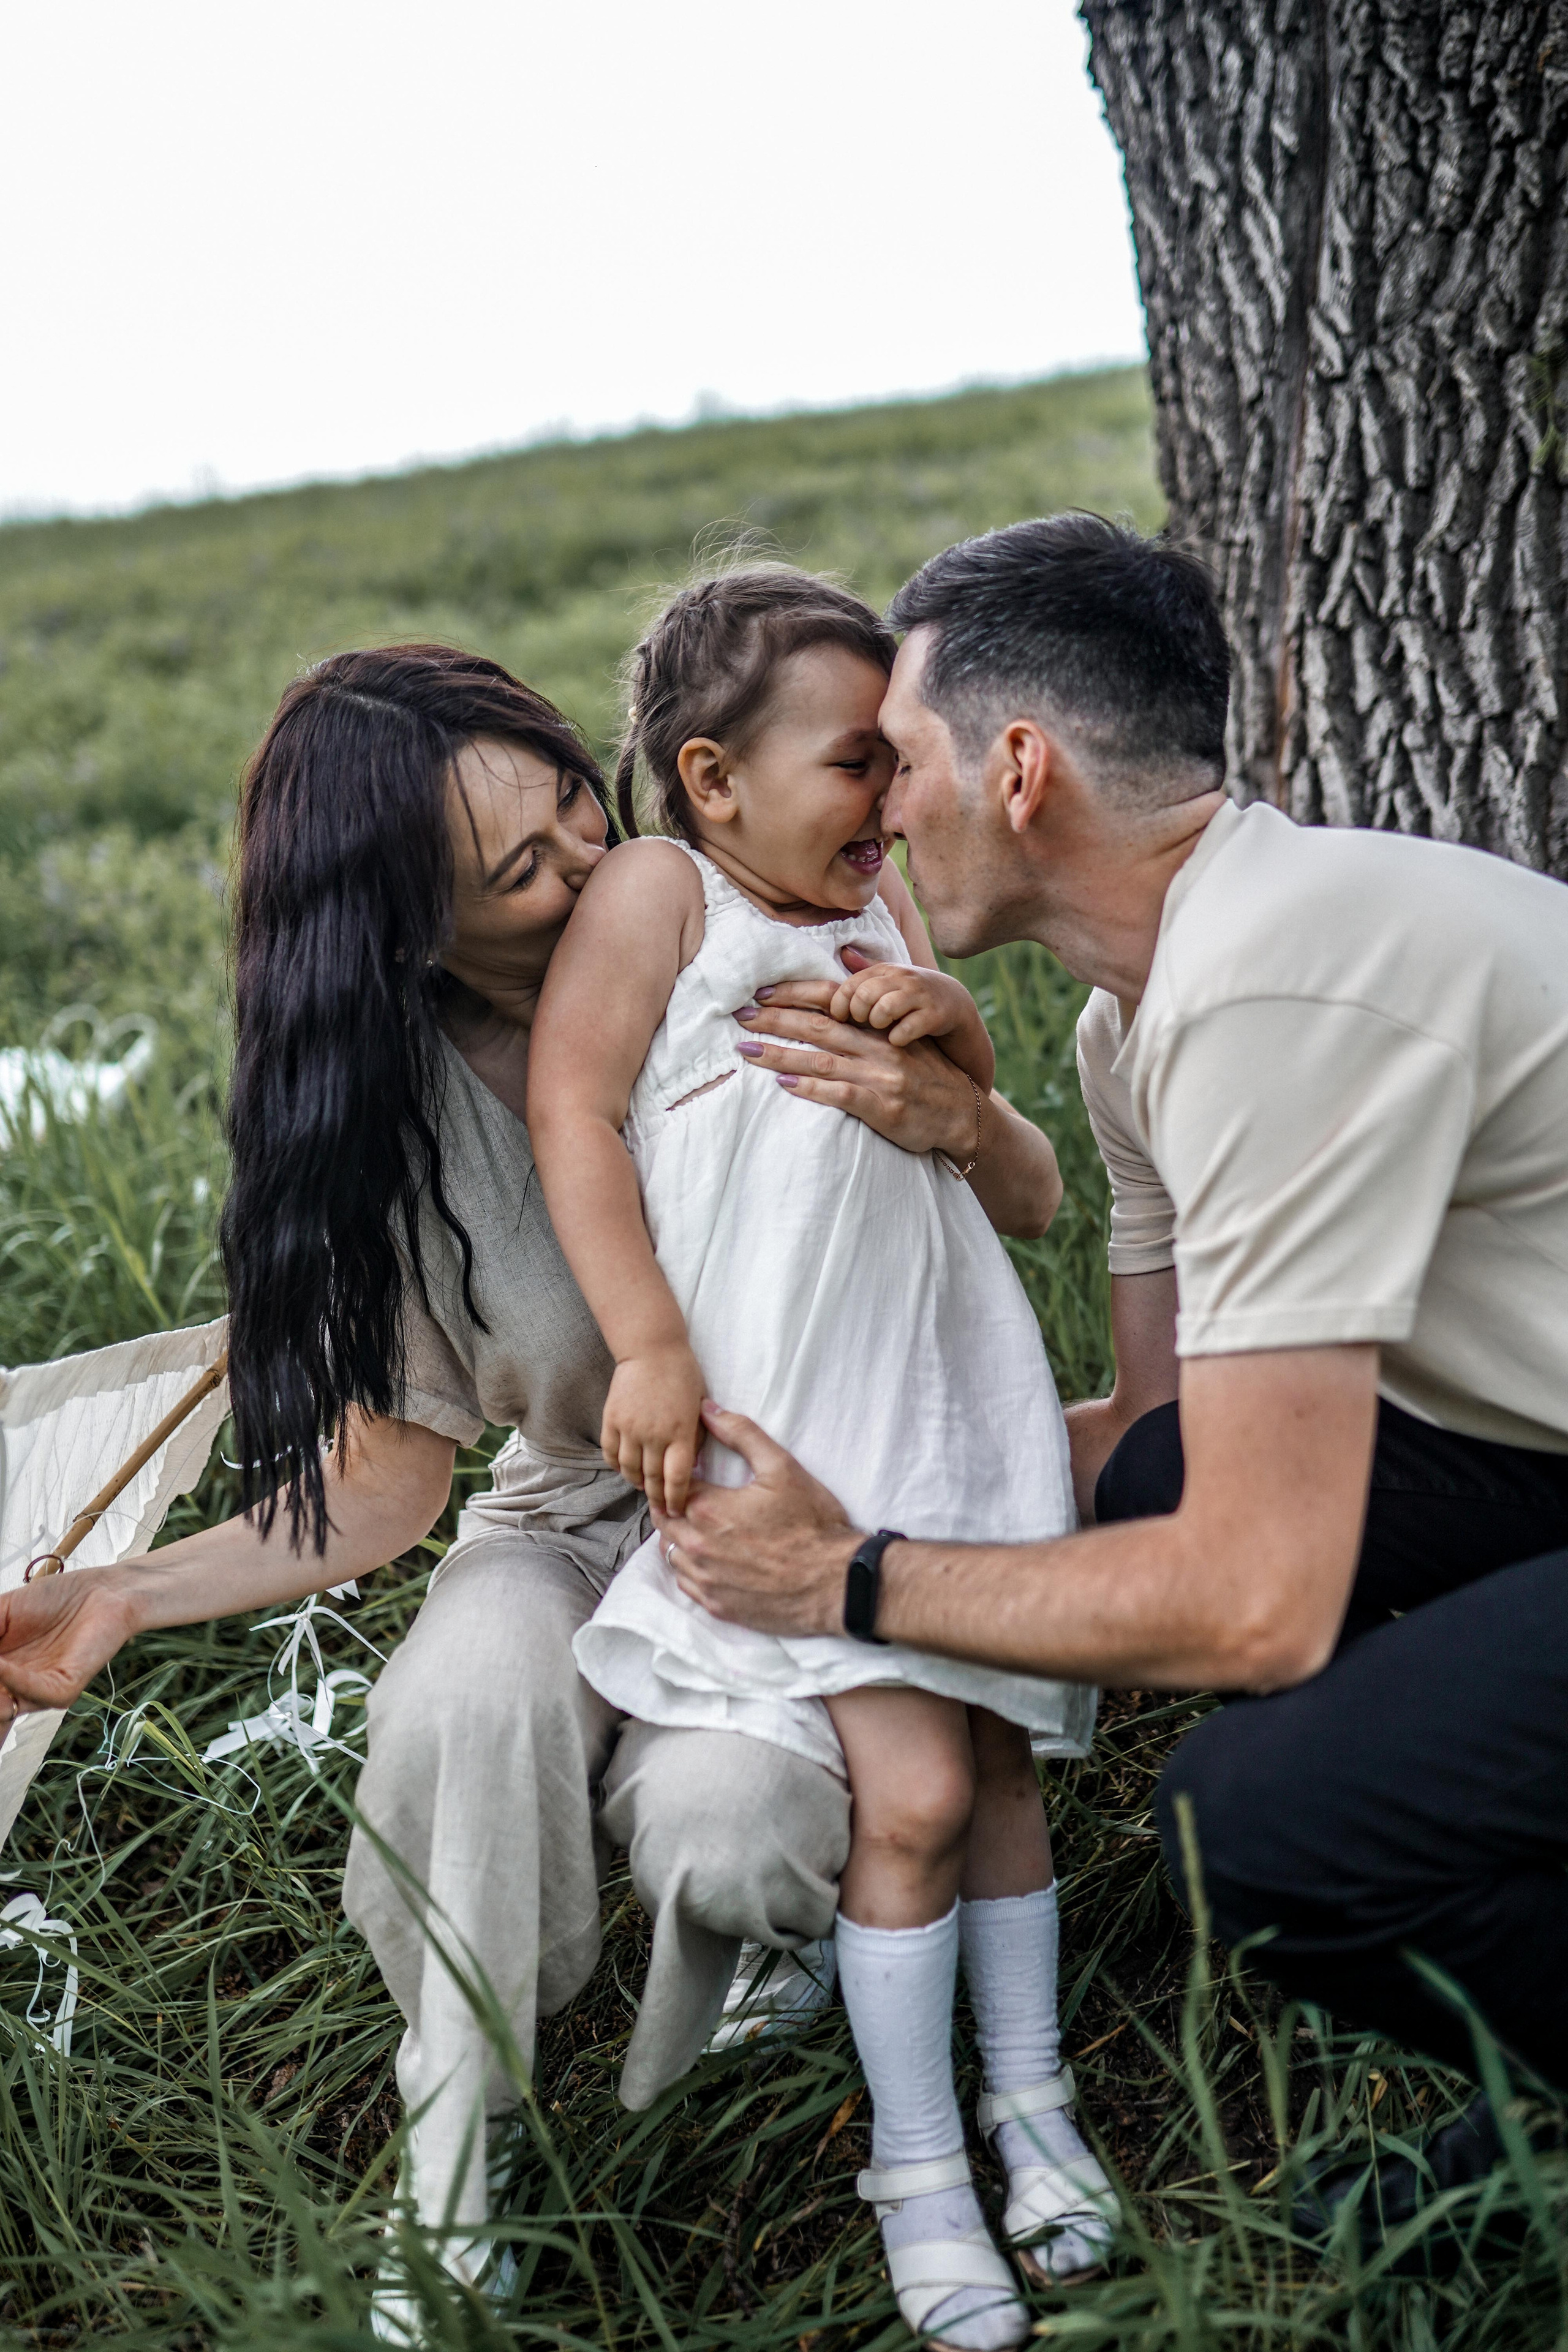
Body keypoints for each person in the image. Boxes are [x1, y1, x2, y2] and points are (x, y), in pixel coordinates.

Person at [0, 644, 1066, 2322]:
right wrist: (125, 1591)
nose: (594, 866)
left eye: (580, 804)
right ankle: (453, 2139)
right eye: (525, 870)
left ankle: (764, 1950)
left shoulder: (741, 917)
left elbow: (1020, 1195)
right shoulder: (397, 1112)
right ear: (410, 932)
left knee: (736, 1832)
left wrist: (957, 1109)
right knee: (467, 1696)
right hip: (568, 1508)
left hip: (799, 1500)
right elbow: (382, 1488)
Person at [648, 514, 1568, 2242]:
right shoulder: (1134, 1020)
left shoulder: (1282, 986)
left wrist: (844, 1577)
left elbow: (1256, 1611)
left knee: (1257, 1826)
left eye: (897, 759)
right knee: (1152, 1481)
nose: (879, 810)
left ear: (1017, 768)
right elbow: (1155, 1441)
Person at [527, 567, 1113, 2348]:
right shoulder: (665, 894)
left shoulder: (887, 923)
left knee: (996, 1771)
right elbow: (572, 1104)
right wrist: (646, 1341)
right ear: (712, 782)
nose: (896, 799)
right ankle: (917, 2166)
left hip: (946, 1409)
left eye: (903, 758)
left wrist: (965, 1061)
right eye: (859, 761)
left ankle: (1033, 2108)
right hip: (792, 1441)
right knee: (918, 1798)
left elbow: (1026, 1196)